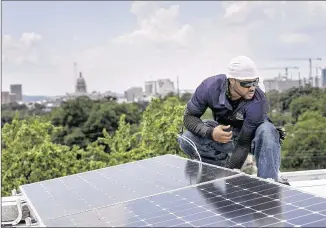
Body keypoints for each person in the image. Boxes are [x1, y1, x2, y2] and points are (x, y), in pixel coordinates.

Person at [177, 56, 287, 184]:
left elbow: (243, 144)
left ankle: (268, 182)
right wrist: (210, 132)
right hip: (227, 134)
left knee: (268, 131)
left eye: (255, 82)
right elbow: (189, 117)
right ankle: (217, 169)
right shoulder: (209, 87)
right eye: (246, 83)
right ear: (232, 81)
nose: (252, 88)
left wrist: (230, 176)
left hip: (252, 137)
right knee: (187, 138)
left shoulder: (258, 100)